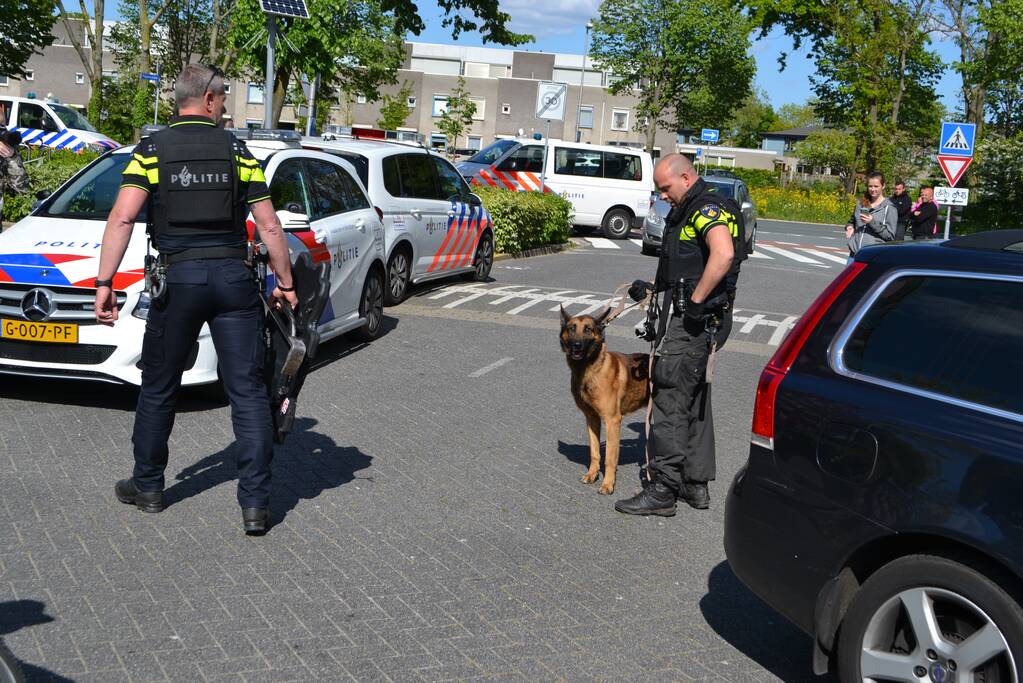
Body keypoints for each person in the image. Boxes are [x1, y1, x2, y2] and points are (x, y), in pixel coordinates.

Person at [94, 64, 298, 534]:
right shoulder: (237, 151)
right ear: (208, 99)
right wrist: (285, 284)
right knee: (247, 392)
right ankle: (255, 506)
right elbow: (269, 226)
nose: (225, 105)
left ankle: (147, 487)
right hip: (233, 281)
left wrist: (105, 283)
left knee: (159, 384)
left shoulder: (150, 151)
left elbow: (122, 220)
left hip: (177, 282)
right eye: (224, 97)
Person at [616, 153, 743, 517]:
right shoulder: (693, 207)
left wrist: (697, 302)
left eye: (665, 188)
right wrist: (655, 287)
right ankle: (694, 484)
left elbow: (723, 254)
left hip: (696, 322)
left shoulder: (706, 210)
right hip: (704, 319)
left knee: (670, 396)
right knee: (694, 398)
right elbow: (689, 263)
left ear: (686, 177)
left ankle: (663, 489)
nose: (663, 196)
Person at [845, 172, 897, 257]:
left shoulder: (889, 208)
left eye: (876, 186)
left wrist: (871, 222)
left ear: (883, 186)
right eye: (870, 186)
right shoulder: (861, 203)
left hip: (874, 255)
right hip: (855, 254)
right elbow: (852, 221)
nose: (872, 189)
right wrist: (849, 227)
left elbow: (890, 236)